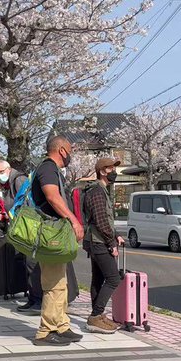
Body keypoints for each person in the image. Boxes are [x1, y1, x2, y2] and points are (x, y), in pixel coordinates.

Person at [31, 135, 84, 346]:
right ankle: (46, 331)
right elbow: (52, 196)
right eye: (70, 150)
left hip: (54, 234)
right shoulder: (47, 168)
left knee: (61, 283)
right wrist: (74, 221)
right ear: (62, 150)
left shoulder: (50, 169)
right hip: (50, 235)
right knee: (53, 284)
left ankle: (61, 325)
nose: (71, 155)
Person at [0, 159, 42, 314]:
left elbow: (26, 203)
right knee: (27, 264)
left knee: (32, 264)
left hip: (28, 228)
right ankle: (33, 298)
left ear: (8, 169)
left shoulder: (19, 180)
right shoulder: (11, 182)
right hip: (21, 228)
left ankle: (38, 300)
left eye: (0, 172)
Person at [85, 157, 124, 334]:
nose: (114, 172)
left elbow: (103, 220)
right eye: (110, 169)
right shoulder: (97, 192)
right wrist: (111, 242)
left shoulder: (101, 190)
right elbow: (100, 221)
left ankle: (97, 316)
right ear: (102, 171)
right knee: (113, 278)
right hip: (99, 241)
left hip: (96, 240)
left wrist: (116, 235)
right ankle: (95, 315)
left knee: (99, 279)